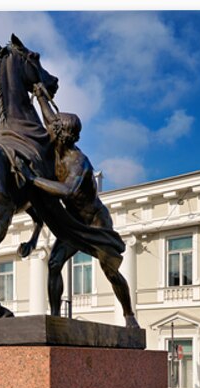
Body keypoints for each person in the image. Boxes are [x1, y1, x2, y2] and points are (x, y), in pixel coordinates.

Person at [25, 81, 138, 328]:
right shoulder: (57, 141)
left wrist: (33, 179)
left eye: (54, 129)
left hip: (96, 223)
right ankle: (55, 317)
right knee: (54, 264)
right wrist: (39, 93)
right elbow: (49, 116)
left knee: (110, 272)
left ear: (65, 135)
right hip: (74, 223)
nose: (49, 130)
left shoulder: (79, 162)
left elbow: (66, 190)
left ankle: (129, 315)